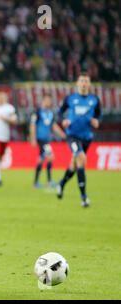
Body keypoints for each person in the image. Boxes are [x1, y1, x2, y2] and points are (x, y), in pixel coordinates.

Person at [56, 73, 102, 207]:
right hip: (72, 135)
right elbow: (59, 112)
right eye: (81, 81)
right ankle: (84, 198)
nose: (83, 83)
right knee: (81, 158)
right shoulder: (70, 99)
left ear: (89, 84)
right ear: (77, 83)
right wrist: (63, 120)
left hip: (87, 137)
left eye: (86, 81)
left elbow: (99, 115)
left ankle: (61, 184)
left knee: (74, 166)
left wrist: (97, 121)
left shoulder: (94, 100)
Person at [30, 94, 66, 188]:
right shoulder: (37, 112)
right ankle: (49, 182)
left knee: (41, 159)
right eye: (46, 100)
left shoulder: (50, 113)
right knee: (50, 156)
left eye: (50, 101)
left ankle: (36, 182)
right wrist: (33, 138)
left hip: (46, 139)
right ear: (43, 101)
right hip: (40, 139)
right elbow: (33, 125)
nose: (48, 102)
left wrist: (61, 133)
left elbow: (53, 126)